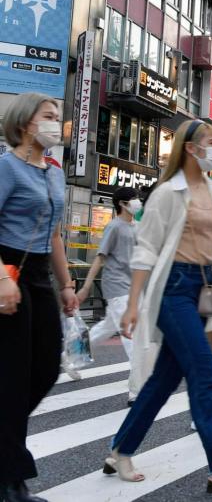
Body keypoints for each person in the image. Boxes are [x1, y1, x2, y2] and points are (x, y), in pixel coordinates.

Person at [110, 120, 212, 494]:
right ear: (191, 149)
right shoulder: (167, 193)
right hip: (172, 290)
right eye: (211, 143)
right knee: (204, 373)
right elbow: (145, 252)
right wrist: (133, 305)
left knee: (163, 380)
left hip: (201, 290)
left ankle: (121, 450)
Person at [0, 93, 78, 502]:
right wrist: (1, 278)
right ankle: (9, 481)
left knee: (46, 366)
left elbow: (53, 233)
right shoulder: (7, 167)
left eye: (58, 117)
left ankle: (4, 446)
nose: (55, 123)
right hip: (6, 268)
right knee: (12, 376)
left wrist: (66, 285)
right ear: (25, 123)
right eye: (48, 116)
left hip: (39, 274)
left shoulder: (53, 172)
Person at [75, 186, 140, 398]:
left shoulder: (137, 227)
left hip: (132, 286)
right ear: (122, 204)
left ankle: (71, 354)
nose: (138, 202)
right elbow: (101, 257)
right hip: (116, 286)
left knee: (106, 328)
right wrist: (86, 287)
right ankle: (136, 390)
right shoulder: (113, 227)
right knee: (131, 333)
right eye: (134, 199)